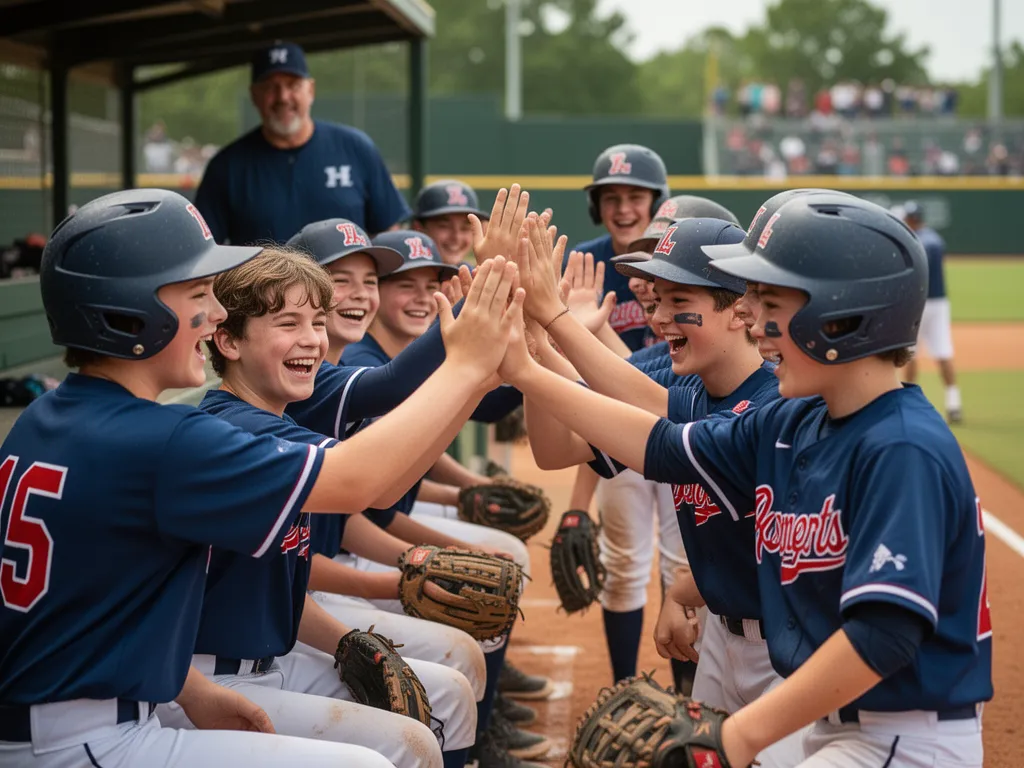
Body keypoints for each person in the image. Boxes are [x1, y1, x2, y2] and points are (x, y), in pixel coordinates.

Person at [0, 188, 521, 767]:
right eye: (198, 294)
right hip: (86, 737)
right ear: (130, 312)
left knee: (407, 739)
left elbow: (96, 609)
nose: (217, 312)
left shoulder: (44, 417)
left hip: (88, 709)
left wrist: (193, 692)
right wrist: (469, 365)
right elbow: (359, 484)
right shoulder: (161, 437)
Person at [502, 194, 991, 767]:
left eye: (772, 301)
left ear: (844, 314)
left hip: (900, 734)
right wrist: (527, 365)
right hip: (835, 721)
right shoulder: (798, 417)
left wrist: (737, 737)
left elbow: (883, 637)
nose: (755, 320)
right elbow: (660, 443)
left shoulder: (901, 448)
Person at [155, 246, 483, 768]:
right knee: (404, 745)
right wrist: (470, 367)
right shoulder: (237, 430)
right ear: (228, 339)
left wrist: (350, 643)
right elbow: (373, 489)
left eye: (317, 321)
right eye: (288, 323)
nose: (312, 338)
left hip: (268, 658)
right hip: (205, 678)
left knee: (445, 692)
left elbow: (280, 592)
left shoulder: (272, 421)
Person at [195, 41, 410, 245]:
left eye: (293, 85)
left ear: (311, 90)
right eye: (270, 87)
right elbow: (204, 249)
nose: (283, 97)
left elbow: (389, 232)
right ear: (254, 95)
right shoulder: (226, 167)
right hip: (264, 285)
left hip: (341, 283)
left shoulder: (355, 148)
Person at [898, 201, 962, 424]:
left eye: (906, 218)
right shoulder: (933, 238)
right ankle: (954, 402)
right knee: (942, 352)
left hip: (922, 304)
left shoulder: (923, 241)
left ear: (913, 218)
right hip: (938, 303)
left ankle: (904, 403)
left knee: (910, 352)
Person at [412, 179, 491, 266]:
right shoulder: (398, 277)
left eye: (465, 228)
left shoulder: (476, 276)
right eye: (444, 226)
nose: (456, 237)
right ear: (418, 228)